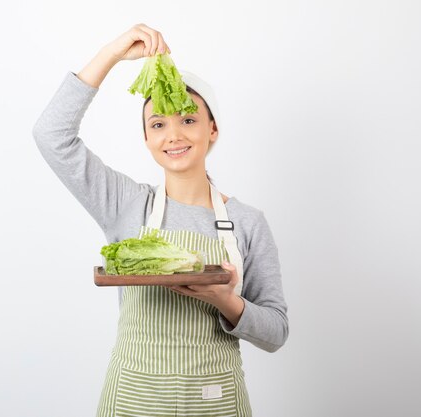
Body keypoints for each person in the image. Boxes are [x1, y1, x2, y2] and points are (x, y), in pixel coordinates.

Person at [32, 23, 288, 417]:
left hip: (214, 401)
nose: (173, 135)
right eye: (158, 124)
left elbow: (276, 332)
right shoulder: (125, 205)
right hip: (133, 400)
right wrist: (112, 54)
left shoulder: (246, 221)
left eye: (187, 120)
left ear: (212, 129)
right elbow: (51, 135)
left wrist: (227, 302)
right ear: (146, 138)